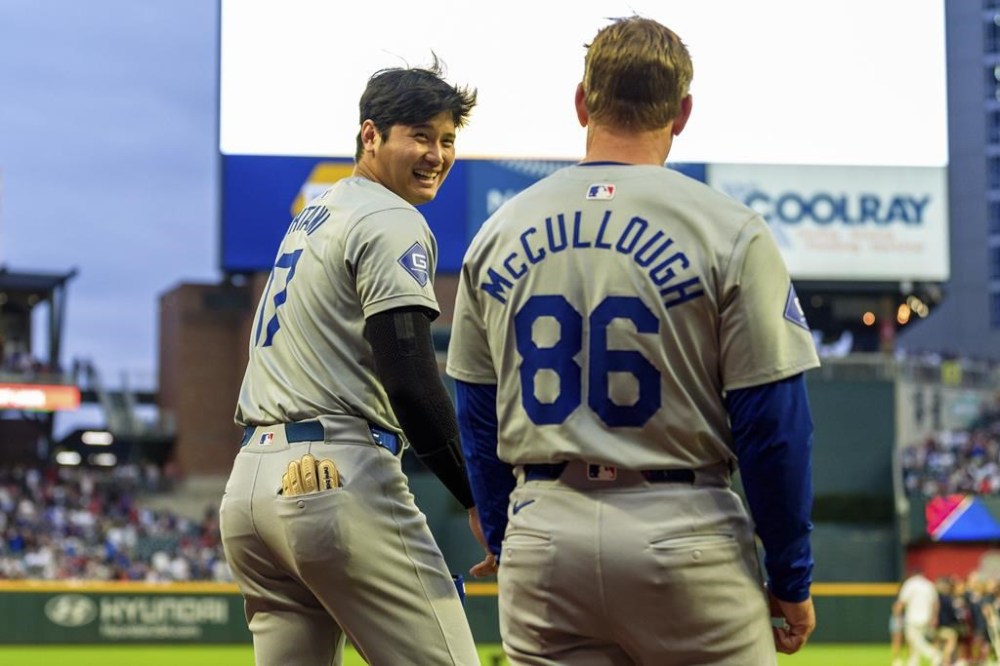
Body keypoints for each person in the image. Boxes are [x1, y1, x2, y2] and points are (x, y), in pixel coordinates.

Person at [447, 15, 820, 665]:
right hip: (681, 526)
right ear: (682, 113)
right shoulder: (729, 229)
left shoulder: (498, 231)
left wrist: (511, 540)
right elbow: (773, 425)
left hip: (545, 529)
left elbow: (477, 413)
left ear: (583, 101)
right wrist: (790, 575)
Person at [219, 58, 487, 665]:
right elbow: (411, 376)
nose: (437, 154)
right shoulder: (390, 216)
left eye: (447, 140)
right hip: (332, 474)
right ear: (371, 135)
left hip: (250, 490)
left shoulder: (319, 213)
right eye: (420, 135)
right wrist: (476, 496)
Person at [893, 568, 942, 666]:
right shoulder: (929, 585)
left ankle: (933, 654)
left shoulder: (909, 584)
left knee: (913, 639)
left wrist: (897, 614)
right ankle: (913, 662)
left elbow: (902, 602)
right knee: (917, 639)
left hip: (912, 617)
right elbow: (936, 603)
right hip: (926, 617)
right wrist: (934, 617)